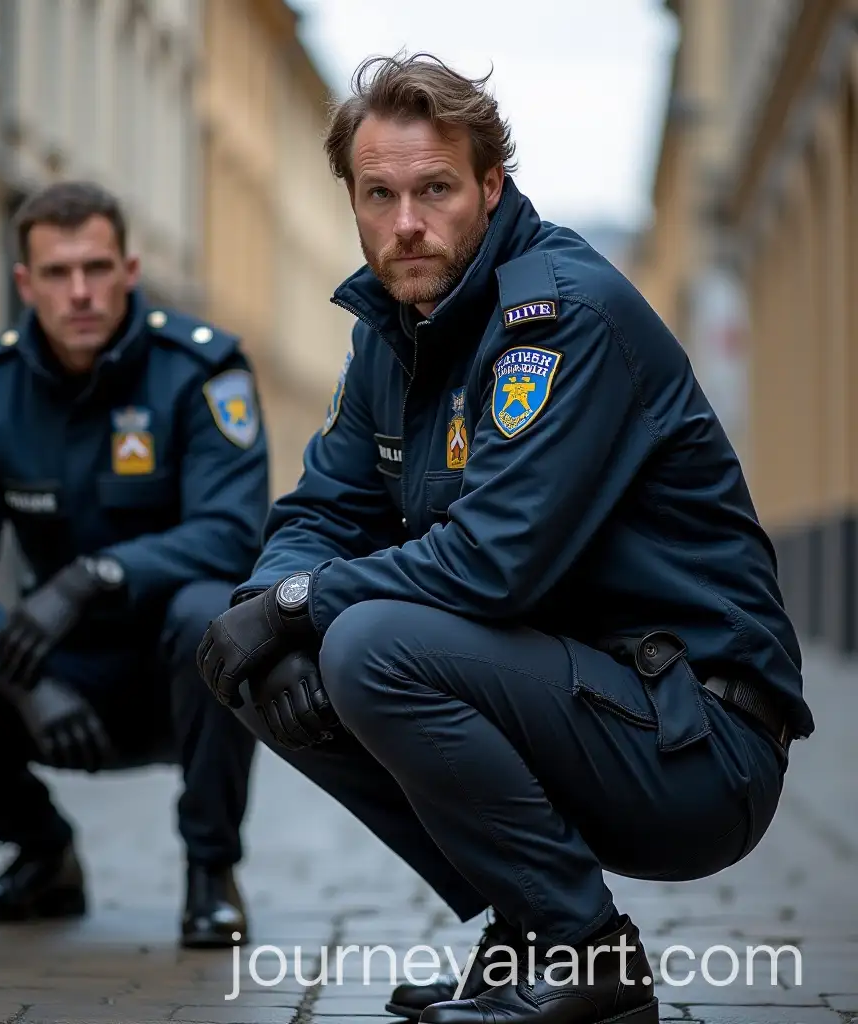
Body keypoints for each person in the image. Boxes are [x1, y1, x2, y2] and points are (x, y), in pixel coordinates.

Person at [194, 54, 814, 1023]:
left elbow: (491, 560)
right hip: (584, 700)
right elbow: (320, 510)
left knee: (365, 642)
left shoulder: (558, 317)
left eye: (435, 189)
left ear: (491, 186)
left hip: (700, 742)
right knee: (251, 649)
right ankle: (530, 926)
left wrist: (295, 604)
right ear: (352, 200)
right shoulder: (391, 334)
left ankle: (584, 953)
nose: (406, 222)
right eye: (380, 194)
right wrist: (265, 602)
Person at [0, 181, 268, 949]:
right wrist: (18, 681)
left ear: (129, 269)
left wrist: (91, 577)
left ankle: (210, 871)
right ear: (25, 282)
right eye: (57, 274)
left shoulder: (199, 370)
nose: (81, 292)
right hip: (53, 676)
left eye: (97, 268)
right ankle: (43, 857)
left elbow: (230, 533)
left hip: (178, 672)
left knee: (214, 615)